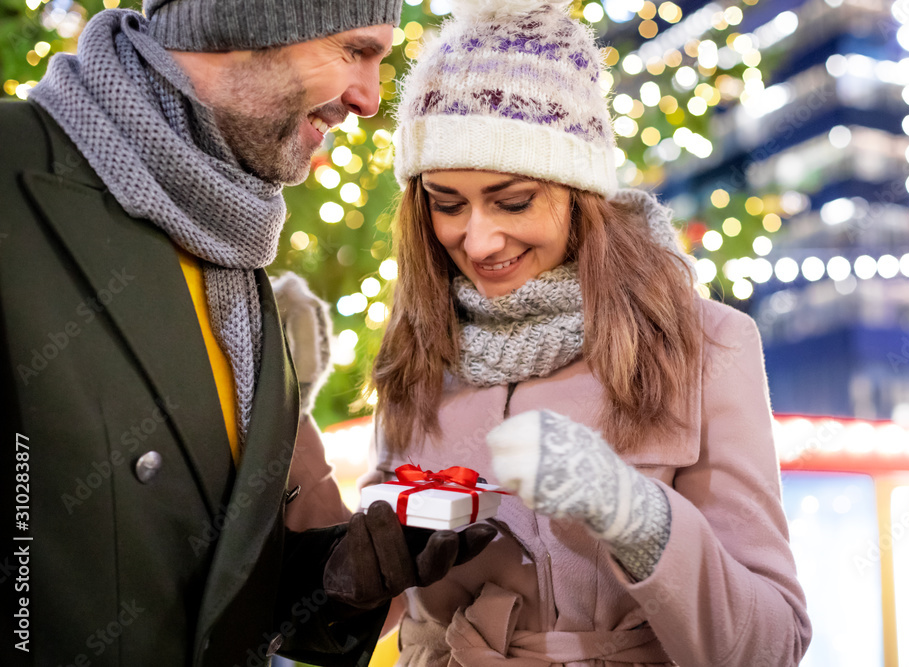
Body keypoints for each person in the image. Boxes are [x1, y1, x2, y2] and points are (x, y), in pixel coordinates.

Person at [0, 0, 495, 665]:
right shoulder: (14, 175)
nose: (370, 98)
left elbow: (219, 581)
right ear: (240, 24)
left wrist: (337, 581)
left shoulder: (233, 246)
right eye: (353, 50)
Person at [366, 0, 812, 664]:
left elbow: (770, 643)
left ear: (581, 194)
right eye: (446, 203)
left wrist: (636, 516)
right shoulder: (418, 349)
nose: (478, 239)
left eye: (513, 200)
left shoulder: (707, 345)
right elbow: (364, 612)